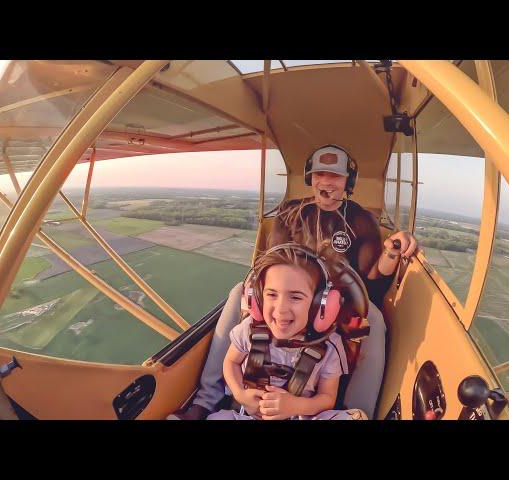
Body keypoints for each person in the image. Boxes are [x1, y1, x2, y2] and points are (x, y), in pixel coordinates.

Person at [168, 144, 419, 420]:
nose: (326, 182)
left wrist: (391, 252)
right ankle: (205, 402)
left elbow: (372, 279)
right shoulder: (291, 212)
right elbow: (272, 262)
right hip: (292, 291)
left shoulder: (361, 220)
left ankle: (356, 412)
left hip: (335, 299)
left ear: (348, 182)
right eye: (320, 174)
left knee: (374, 317)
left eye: (335, 176)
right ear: (311, 178)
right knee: (239, 291)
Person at [207, 245, 366, 420]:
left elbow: (327, 398)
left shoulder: (330, 346)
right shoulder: (248, 330)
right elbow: (231, 362)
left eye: (296, 297)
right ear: (258, 298)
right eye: (272, 295)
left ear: (319, 305)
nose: (281, 309)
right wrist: (240, 394)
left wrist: (295, 405)